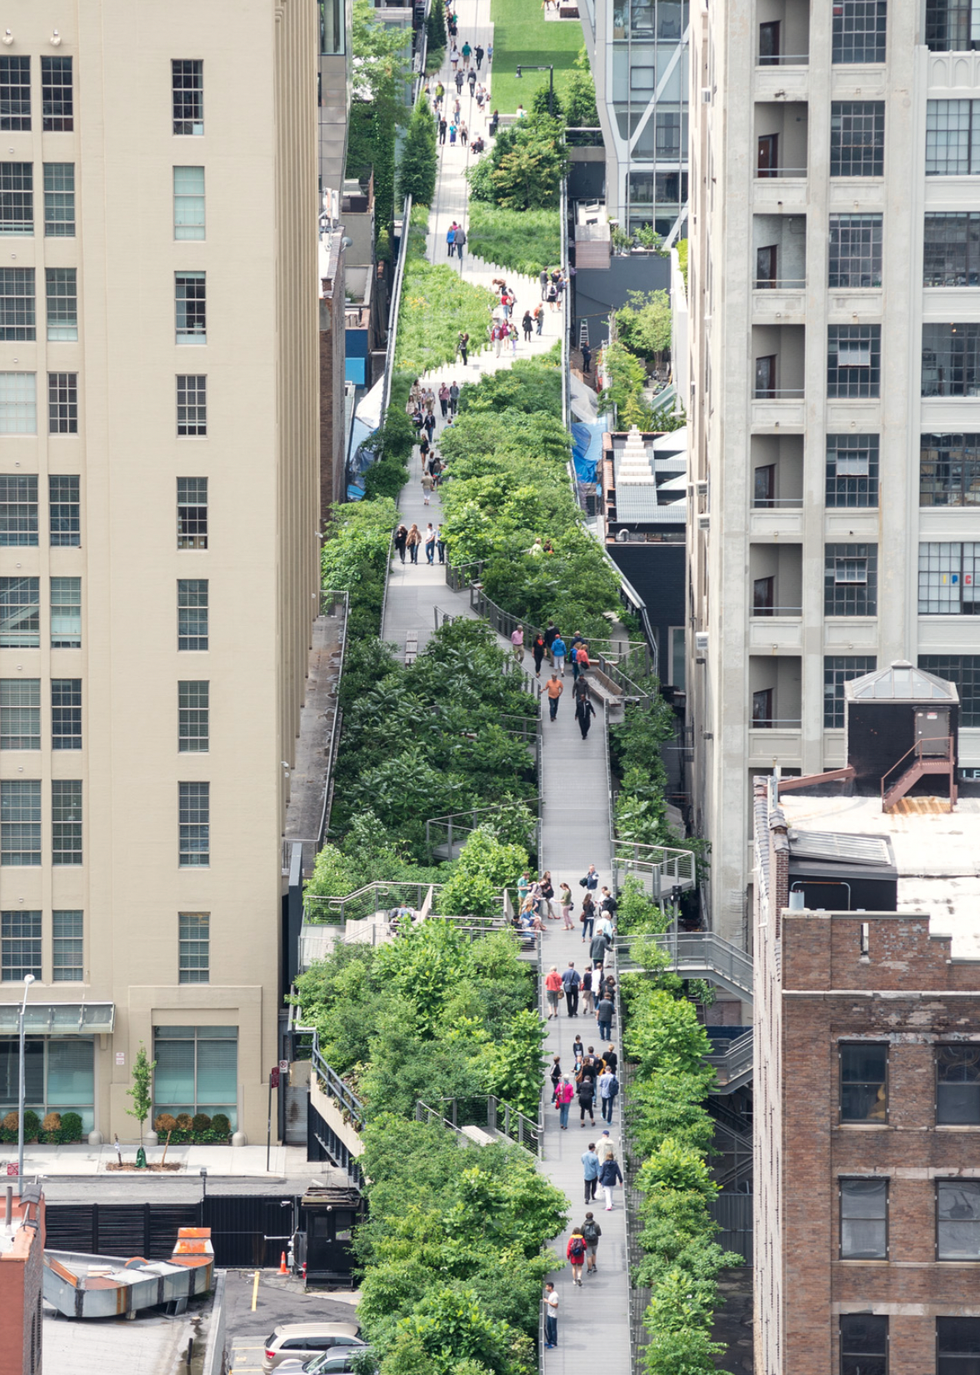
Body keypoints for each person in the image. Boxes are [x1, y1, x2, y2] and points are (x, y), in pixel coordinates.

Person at [543, 1283, 558, 1348]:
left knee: (553, 1329)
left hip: (553, 1315)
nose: (546, 1288)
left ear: (550, 1287)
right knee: (548, 1328)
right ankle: (549, 1341)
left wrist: (547, 1301)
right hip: (549, 1314)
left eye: (547, 1287)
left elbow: (556, 1305)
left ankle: (554, 1343)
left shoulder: (555, 1295)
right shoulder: (551, 1294)